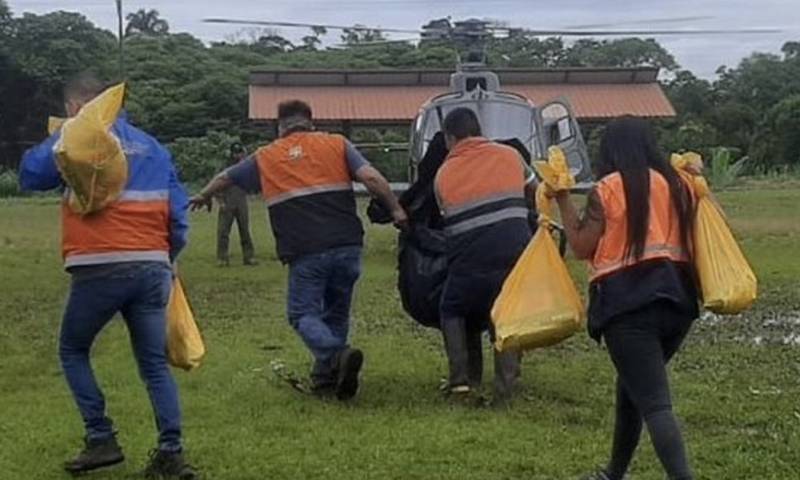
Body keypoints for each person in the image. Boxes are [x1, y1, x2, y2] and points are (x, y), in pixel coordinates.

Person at [18, 72, 197, 478]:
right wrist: (168, 256)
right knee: (153, 363)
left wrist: (62, 134)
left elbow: (31, 175)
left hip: (100, 263)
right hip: (153, 265)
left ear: (74, 106)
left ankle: (100, 437)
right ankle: (171, 453)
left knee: (73, 350)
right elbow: (178, 215)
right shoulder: (153, 147)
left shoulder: (76, 137)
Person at [190, 100, 407, 400]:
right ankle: (326, 379)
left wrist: (203, 195)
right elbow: (372, 178)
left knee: (301, 313)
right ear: (311, 122)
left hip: (305, 250)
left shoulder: (266, 155)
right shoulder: (337, 144)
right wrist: (396, 210)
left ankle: (335, 356)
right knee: (336, 312)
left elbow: (226, 177)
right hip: (347, 245)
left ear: (281, 127)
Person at [550, 117, 698, 480]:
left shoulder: (609, 188)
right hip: (678, 303)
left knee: (655, 404)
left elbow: (582, 247)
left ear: (610, 149)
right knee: (633, 386)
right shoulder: (682, 184)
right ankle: (613, 473)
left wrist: (563, 200)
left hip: (628, 306)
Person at [433, 108, 534, 404]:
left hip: (468, 260)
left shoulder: (443, 174)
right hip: (516, 252)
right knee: (507, 312)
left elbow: (446, 220)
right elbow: (536, 190)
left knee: (451, 309)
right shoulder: (510, 156)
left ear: (450, 138)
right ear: (479, 130)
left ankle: (460, 383)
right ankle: (505, 387)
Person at [216, 142, 256, 266]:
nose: (238, 155)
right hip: (227, 200)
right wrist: (221, 201)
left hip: (241, 200)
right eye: (236, 153)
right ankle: (222, 258)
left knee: (245, 230)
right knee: (223, 231)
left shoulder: (244, 167)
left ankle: (248, 257)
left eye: (240, 153)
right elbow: (216, 184)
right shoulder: (225, 167)